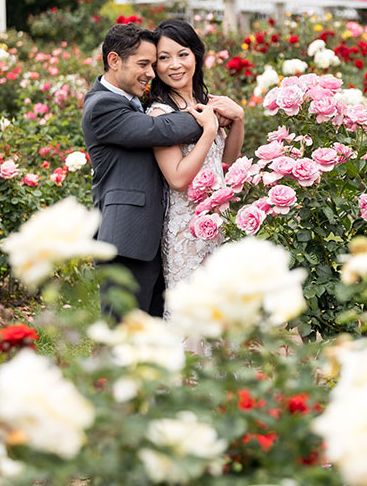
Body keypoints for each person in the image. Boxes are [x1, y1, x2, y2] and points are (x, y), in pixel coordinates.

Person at [81, 23, 218, 318]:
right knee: (123, 335)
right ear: (115, 61)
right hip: (125, 239)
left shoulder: (131, 101)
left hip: (153, 238)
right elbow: (158, 129)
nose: (152, 73)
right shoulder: (102, 105)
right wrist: (212, 116)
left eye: (153, 64)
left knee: (150, 335)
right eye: (144, 64)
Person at [146, 19, 245, 307]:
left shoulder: (205, 101)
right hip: (185, 228)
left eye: (182, 54)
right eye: (164, 58)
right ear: (154, 65)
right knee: (194, 311)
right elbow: (177, 178)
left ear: (196, 56)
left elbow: (225, 160)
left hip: (219, 219)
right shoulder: (160, 113)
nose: (174, 65)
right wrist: (210, 130)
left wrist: (238, 119)